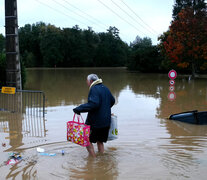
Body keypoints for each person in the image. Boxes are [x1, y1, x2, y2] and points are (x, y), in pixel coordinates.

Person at [73, 74, 115, 157]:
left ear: (91, 81)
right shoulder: (105, 88)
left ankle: (93, 160)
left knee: (86, 140)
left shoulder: (94, 89)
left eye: (86, 80)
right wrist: (104, 109)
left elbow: (93, 104)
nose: (86, 82)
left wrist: (79, 109)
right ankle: (102, 159)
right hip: (106, 121)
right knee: (100, 141)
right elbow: (112, 100)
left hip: (96, 122)